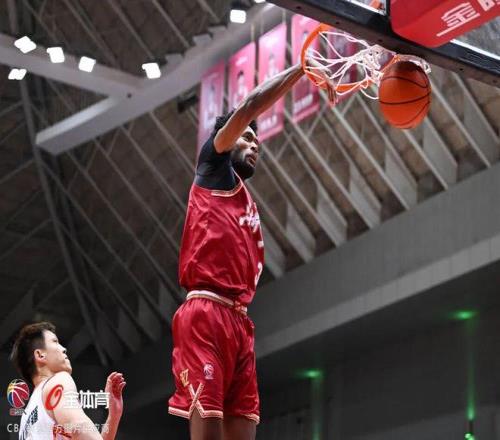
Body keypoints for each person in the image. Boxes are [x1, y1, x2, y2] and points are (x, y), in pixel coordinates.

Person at [168, 58, 334, 440]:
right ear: (226, 138)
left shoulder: (244, 200)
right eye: (246, 137)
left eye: (257, 140)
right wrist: (301, 70)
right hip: (206, 314)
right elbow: (249, 106)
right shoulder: (212, 165)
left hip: (240, 322)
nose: (254, 143)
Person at [10, 322, 126, 440]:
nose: (64, 349)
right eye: (55, 342)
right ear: (40, 355)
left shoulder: (25, 420)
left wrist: (113, 416)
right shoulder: (59, 380)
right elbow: (78, 428)